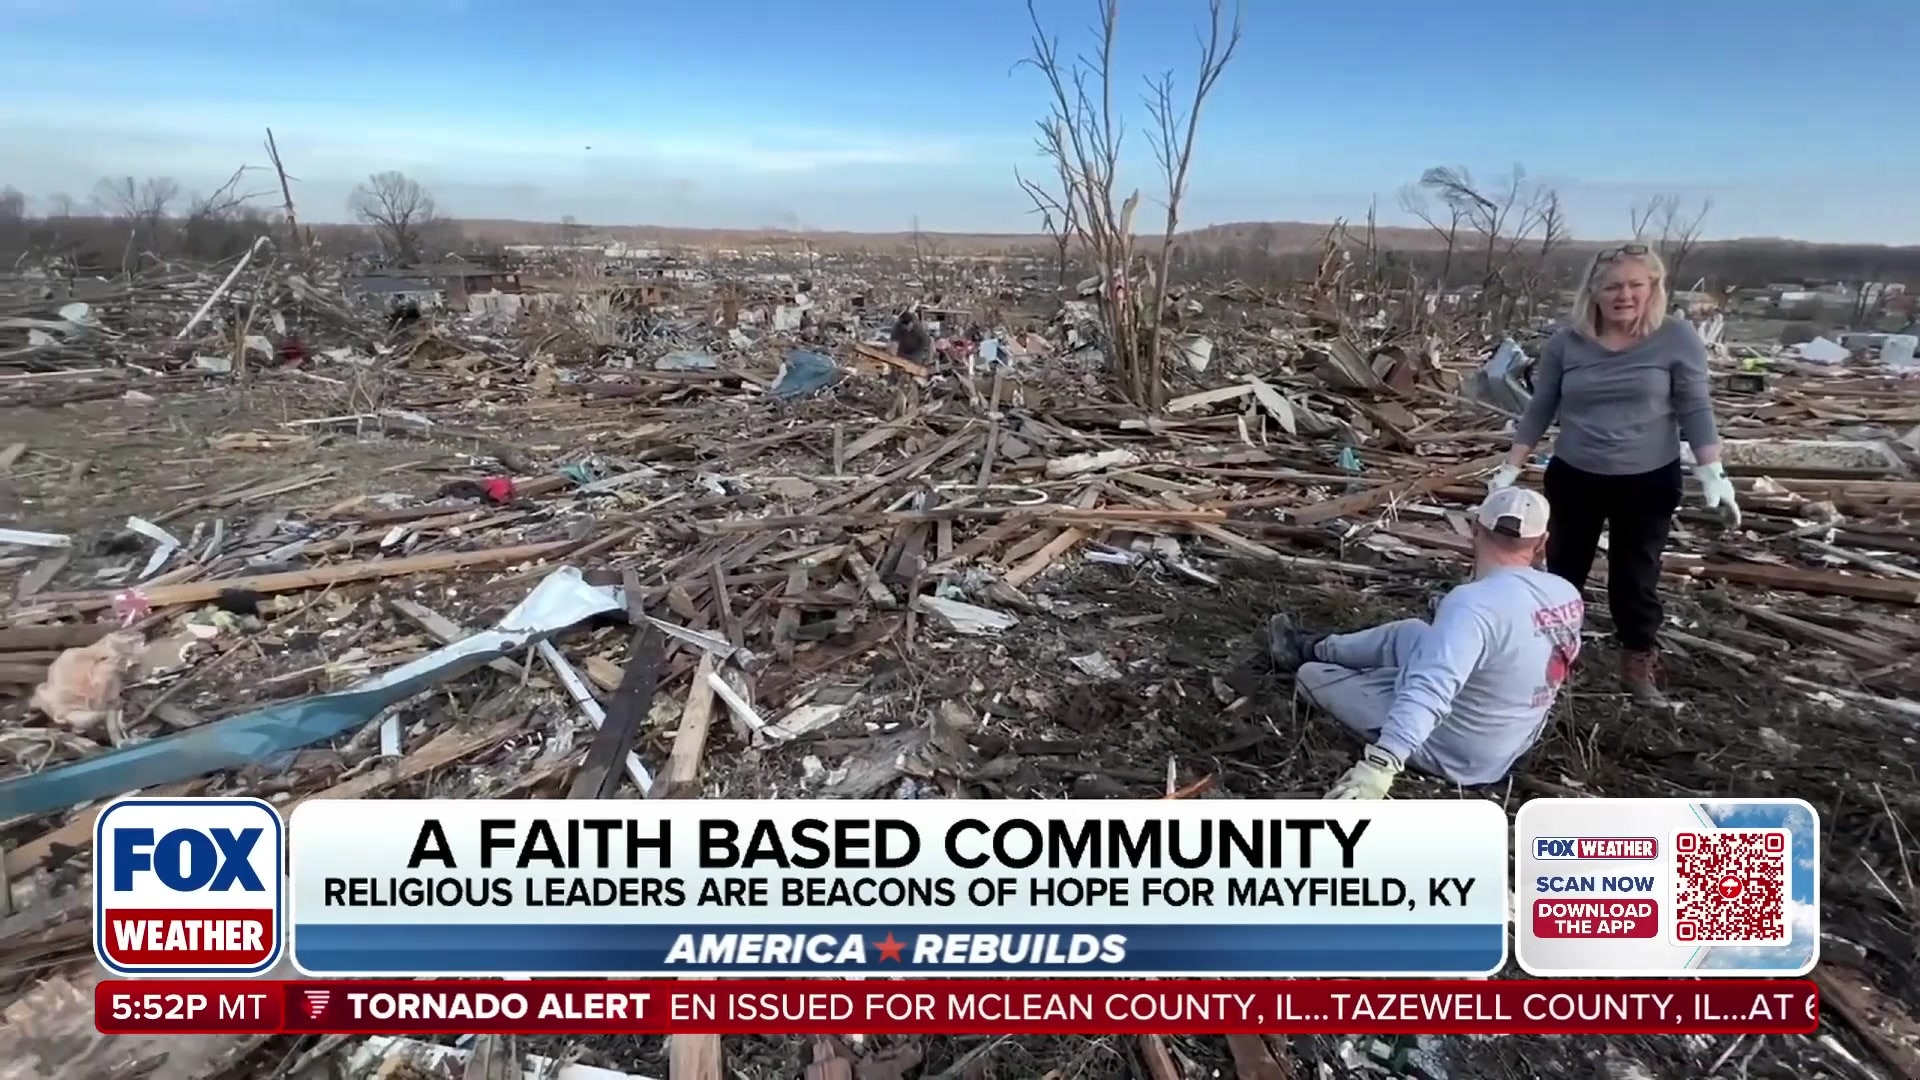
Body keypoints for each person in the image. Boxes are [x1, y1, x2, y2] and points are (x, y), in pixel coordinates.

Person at [1487, 244, 1736, 709]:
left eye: (1636, 285)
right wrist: (1511, 466)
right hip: (1576, 475)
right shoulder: (1567, 342)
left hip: (1647, 479)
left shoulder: (1676, 337)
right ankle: (1554, 659)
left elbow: (1695, 406)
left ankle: (1637, 661)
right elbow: (1541, 407)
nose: (1625, 295)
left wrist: (1712, 469)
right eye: (1613, 286)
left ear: (1653, 288)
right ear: (1594, 292)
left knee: (1635, 577)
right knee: (1563, 573)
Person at [1267, 488, 1585, 800]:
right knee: (1413, 632)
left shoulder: (1473, 604)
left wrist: (1381, 765)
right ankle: (1318, 646)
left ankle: (1312, 660)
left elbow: (1431, 690)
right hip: (1507, 741)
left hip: (1457, 753)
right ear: (1542, 543)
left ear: (1474, 530)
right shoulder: (1565, 592)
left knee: (1311, 677)